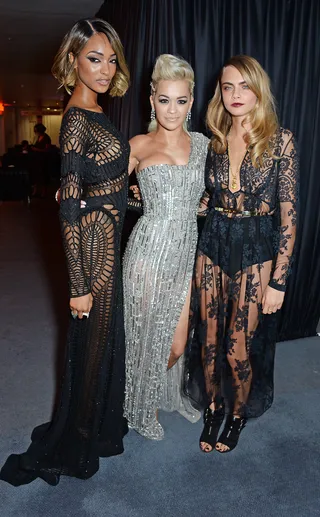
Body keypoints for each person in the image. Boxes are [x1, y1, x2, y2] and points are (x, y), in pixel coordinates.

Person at [0, 17, 130, 486]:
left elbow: (102, 186)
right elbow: (69, 205)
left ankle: (93, 429)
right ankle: (75, 444)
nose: (105, 68)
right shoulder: (76, 117)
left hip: (107, 240)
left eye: (111, 59)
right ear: (72, 60)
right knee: (92, 348)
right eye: (94, 59)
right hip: (92, 248)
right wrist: (77, 286)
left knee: (102, 344)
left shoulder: (95, 110)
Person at [187, 55, 299, 454]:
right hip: (213, 243)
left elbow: (288, 216)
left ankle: (237, 413)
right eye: (227, 86)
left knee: (238, 348)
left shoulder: (280, 140)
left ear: (258, 91)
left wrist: (279, 281)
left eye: (244, 86)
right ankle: (214, 408)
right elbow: (207, 199)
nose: (235, 95)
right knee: (209, 341)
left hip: (255, 248)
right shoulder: (214, 138)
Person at [123, 54, 209, 439]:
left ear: (191, 102)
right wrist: (75, 193)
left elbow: (218, 190)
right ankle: (135, 402)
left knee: (175, 341)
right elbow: (109, 193)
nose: (171, 110)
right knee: (142, 335)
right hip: (146, 252)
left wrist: (204, 202)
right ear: (152, 99)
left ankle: (141, 393)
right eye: (164, 100)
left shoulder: (205, 145)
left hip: (184, 253)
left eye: (180, 101)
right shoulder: (138, 145)